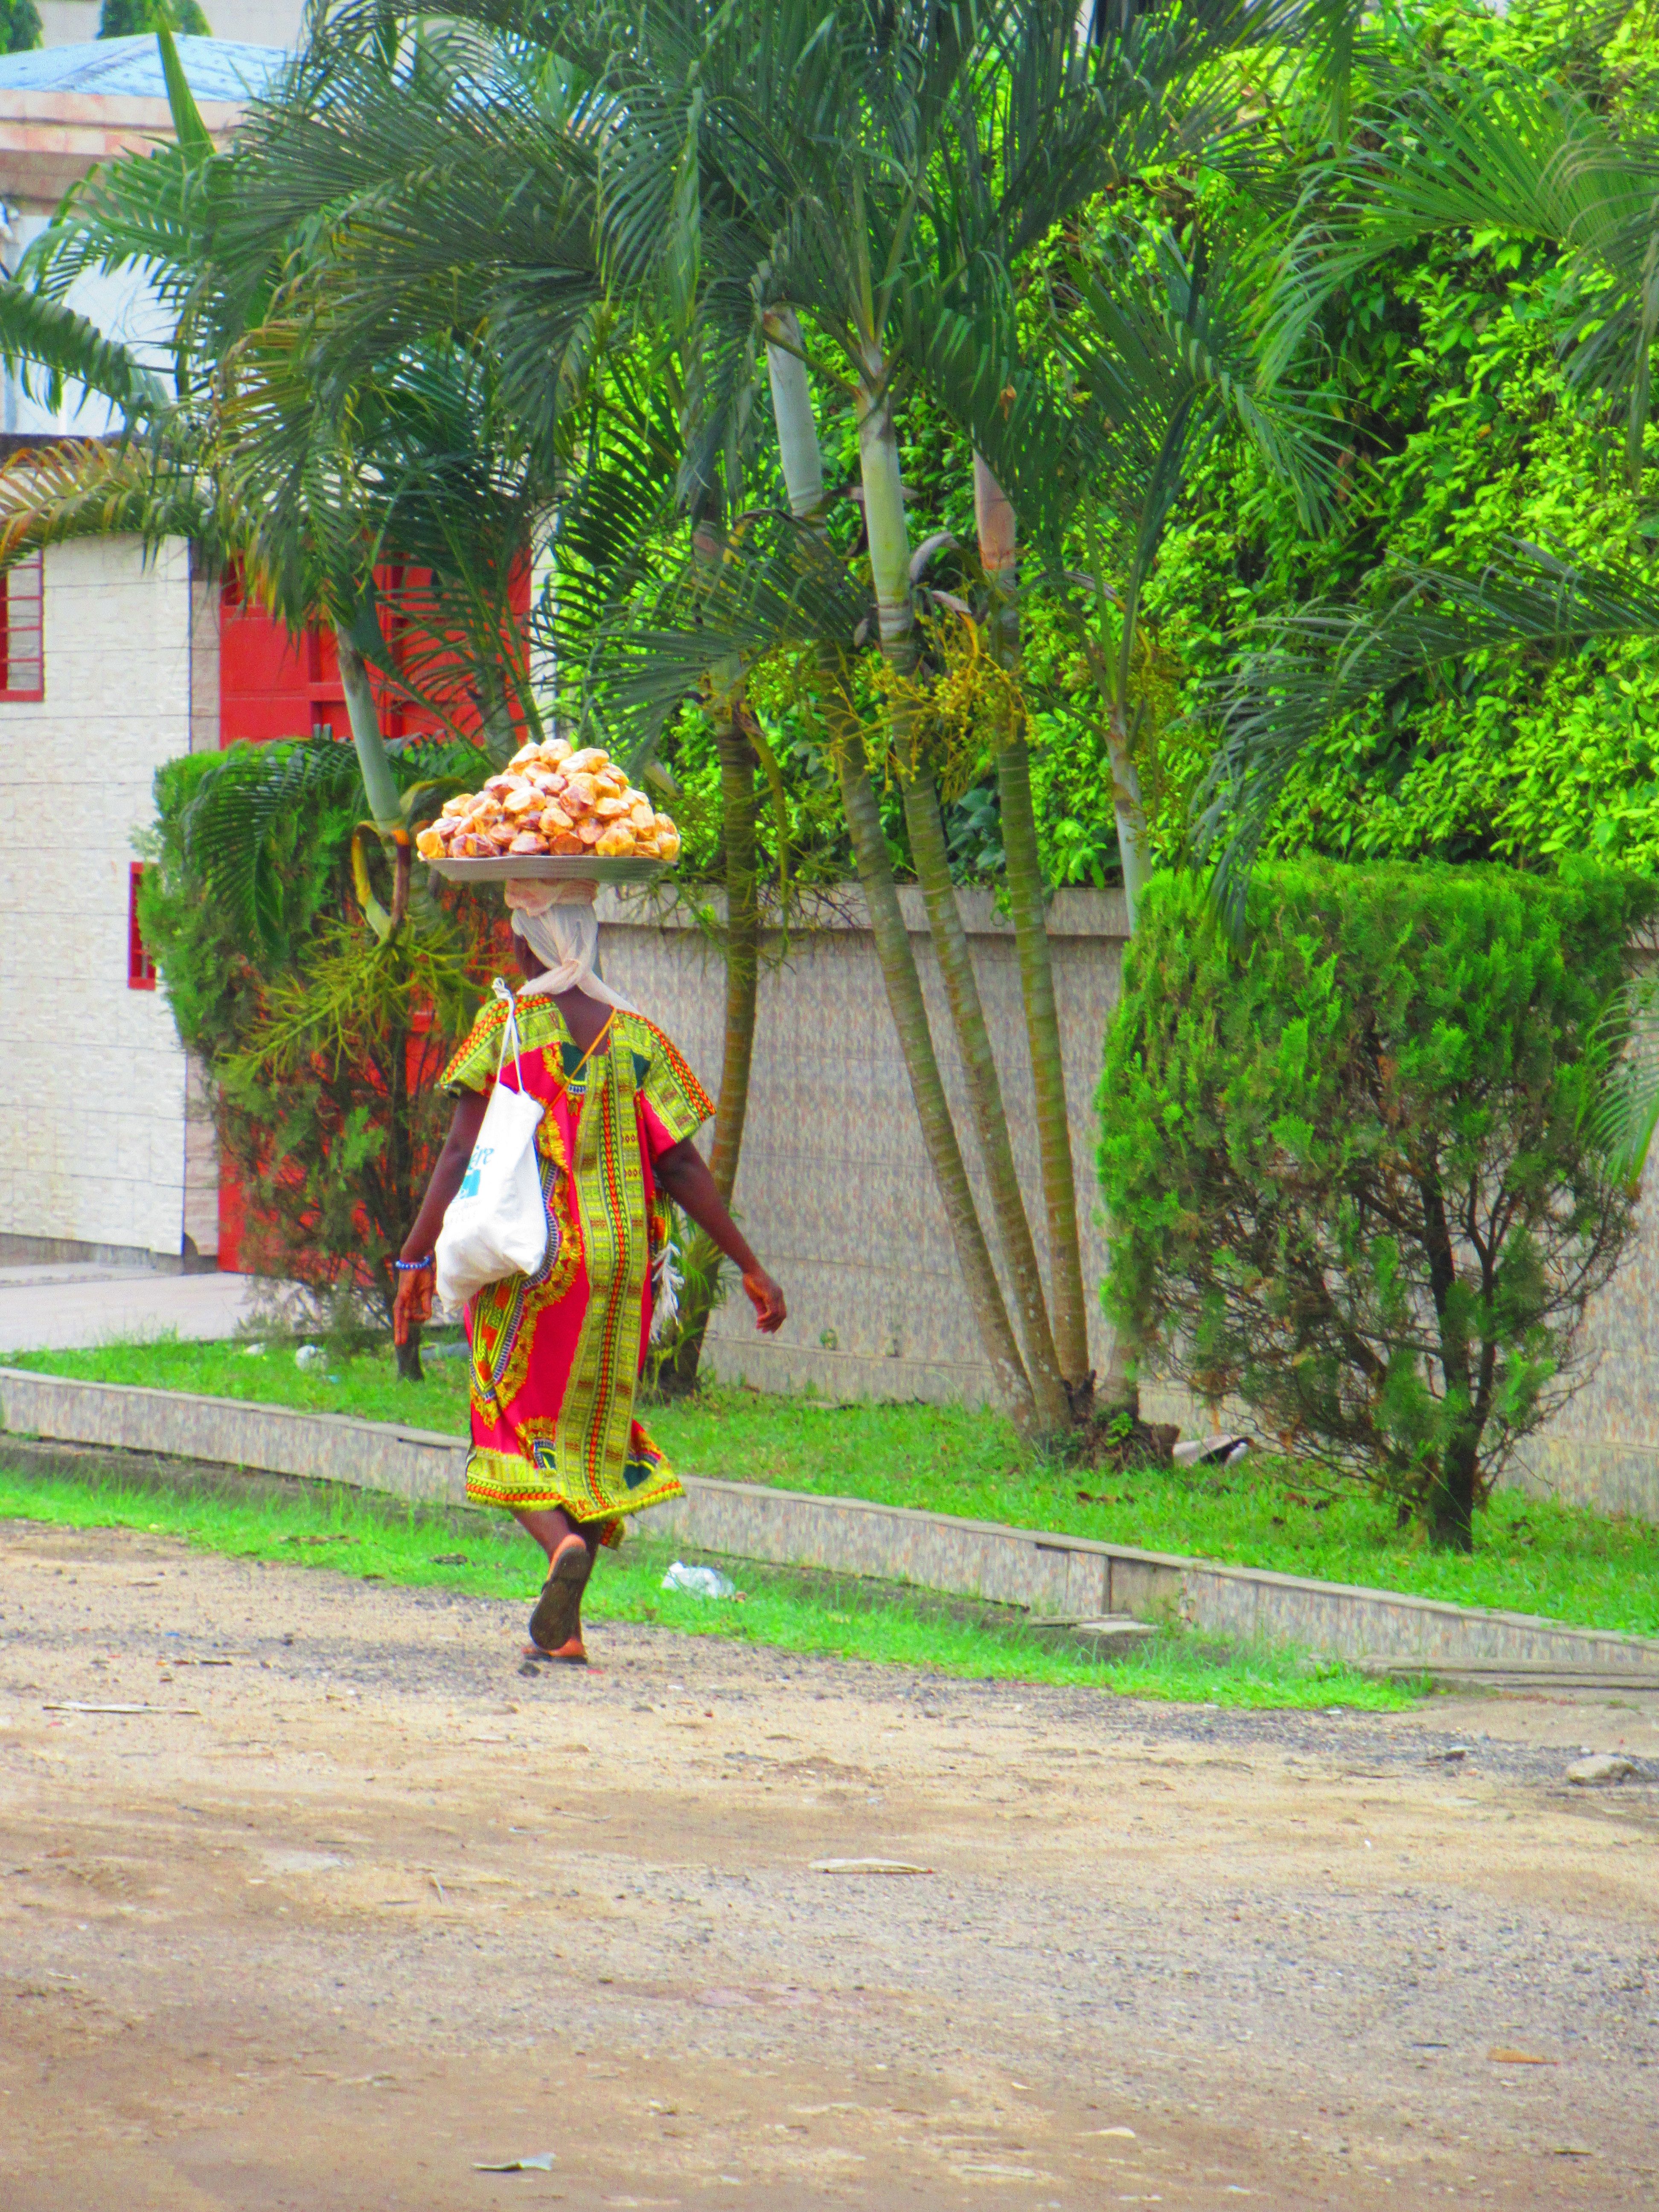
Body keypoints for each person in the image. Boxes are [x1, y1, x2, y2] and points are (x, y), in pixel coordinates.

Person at [393, 879, 786, 1663]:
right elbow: (680, 1164)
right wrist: (750, 1266)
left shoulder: (508, 1028)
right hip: (624, 1268)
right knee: (590, 1436)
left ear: (527, 941)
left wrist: (414, 1255)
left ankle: (557, 1551)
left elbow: (459, 1152)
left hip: (532, 1262)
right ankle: (565, 1629)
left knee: (498, 1412)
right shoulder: (641, 1037)